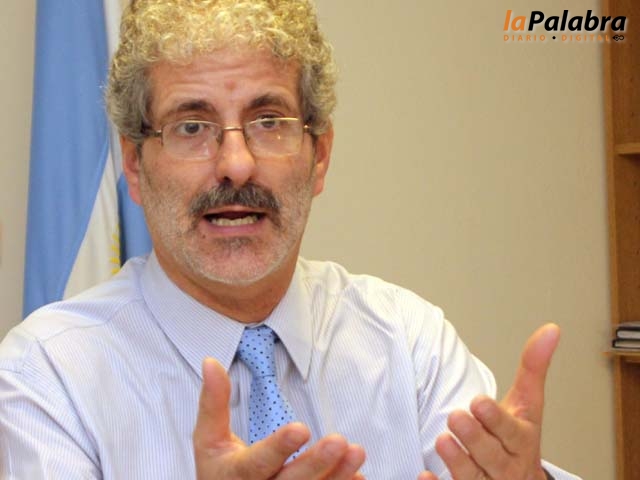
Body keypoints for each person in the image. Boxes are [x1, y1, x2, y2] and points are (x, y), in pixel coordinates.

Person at [0, 1, 581, 479]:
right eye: (192, 126)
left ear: (319, 155)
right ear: (134, 164)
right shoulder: (49, 374)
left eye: (269, 122)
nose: (236, 164)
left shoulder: (409, 344)